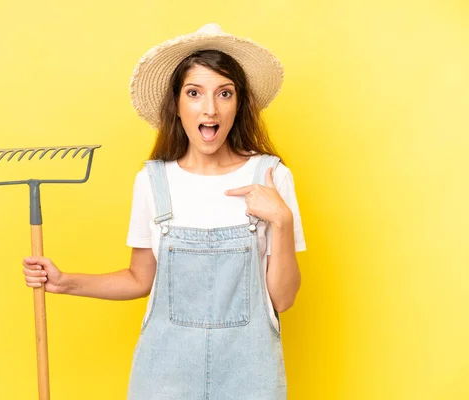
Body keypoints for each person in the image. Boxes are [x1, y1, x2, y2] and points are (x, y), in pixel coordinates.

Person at [22, 23, 306, 399]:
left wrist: (282, 222)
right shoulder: (153, 181)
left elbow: (283, 300)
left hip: (249, 373)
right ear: (176, 103)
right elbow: (140, 279)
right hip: (165, 375)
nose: (210, 108)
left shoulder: (270, 176)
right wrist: (64, 282)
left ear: (239, 104)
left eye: (225, 93)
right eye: (194, 93)